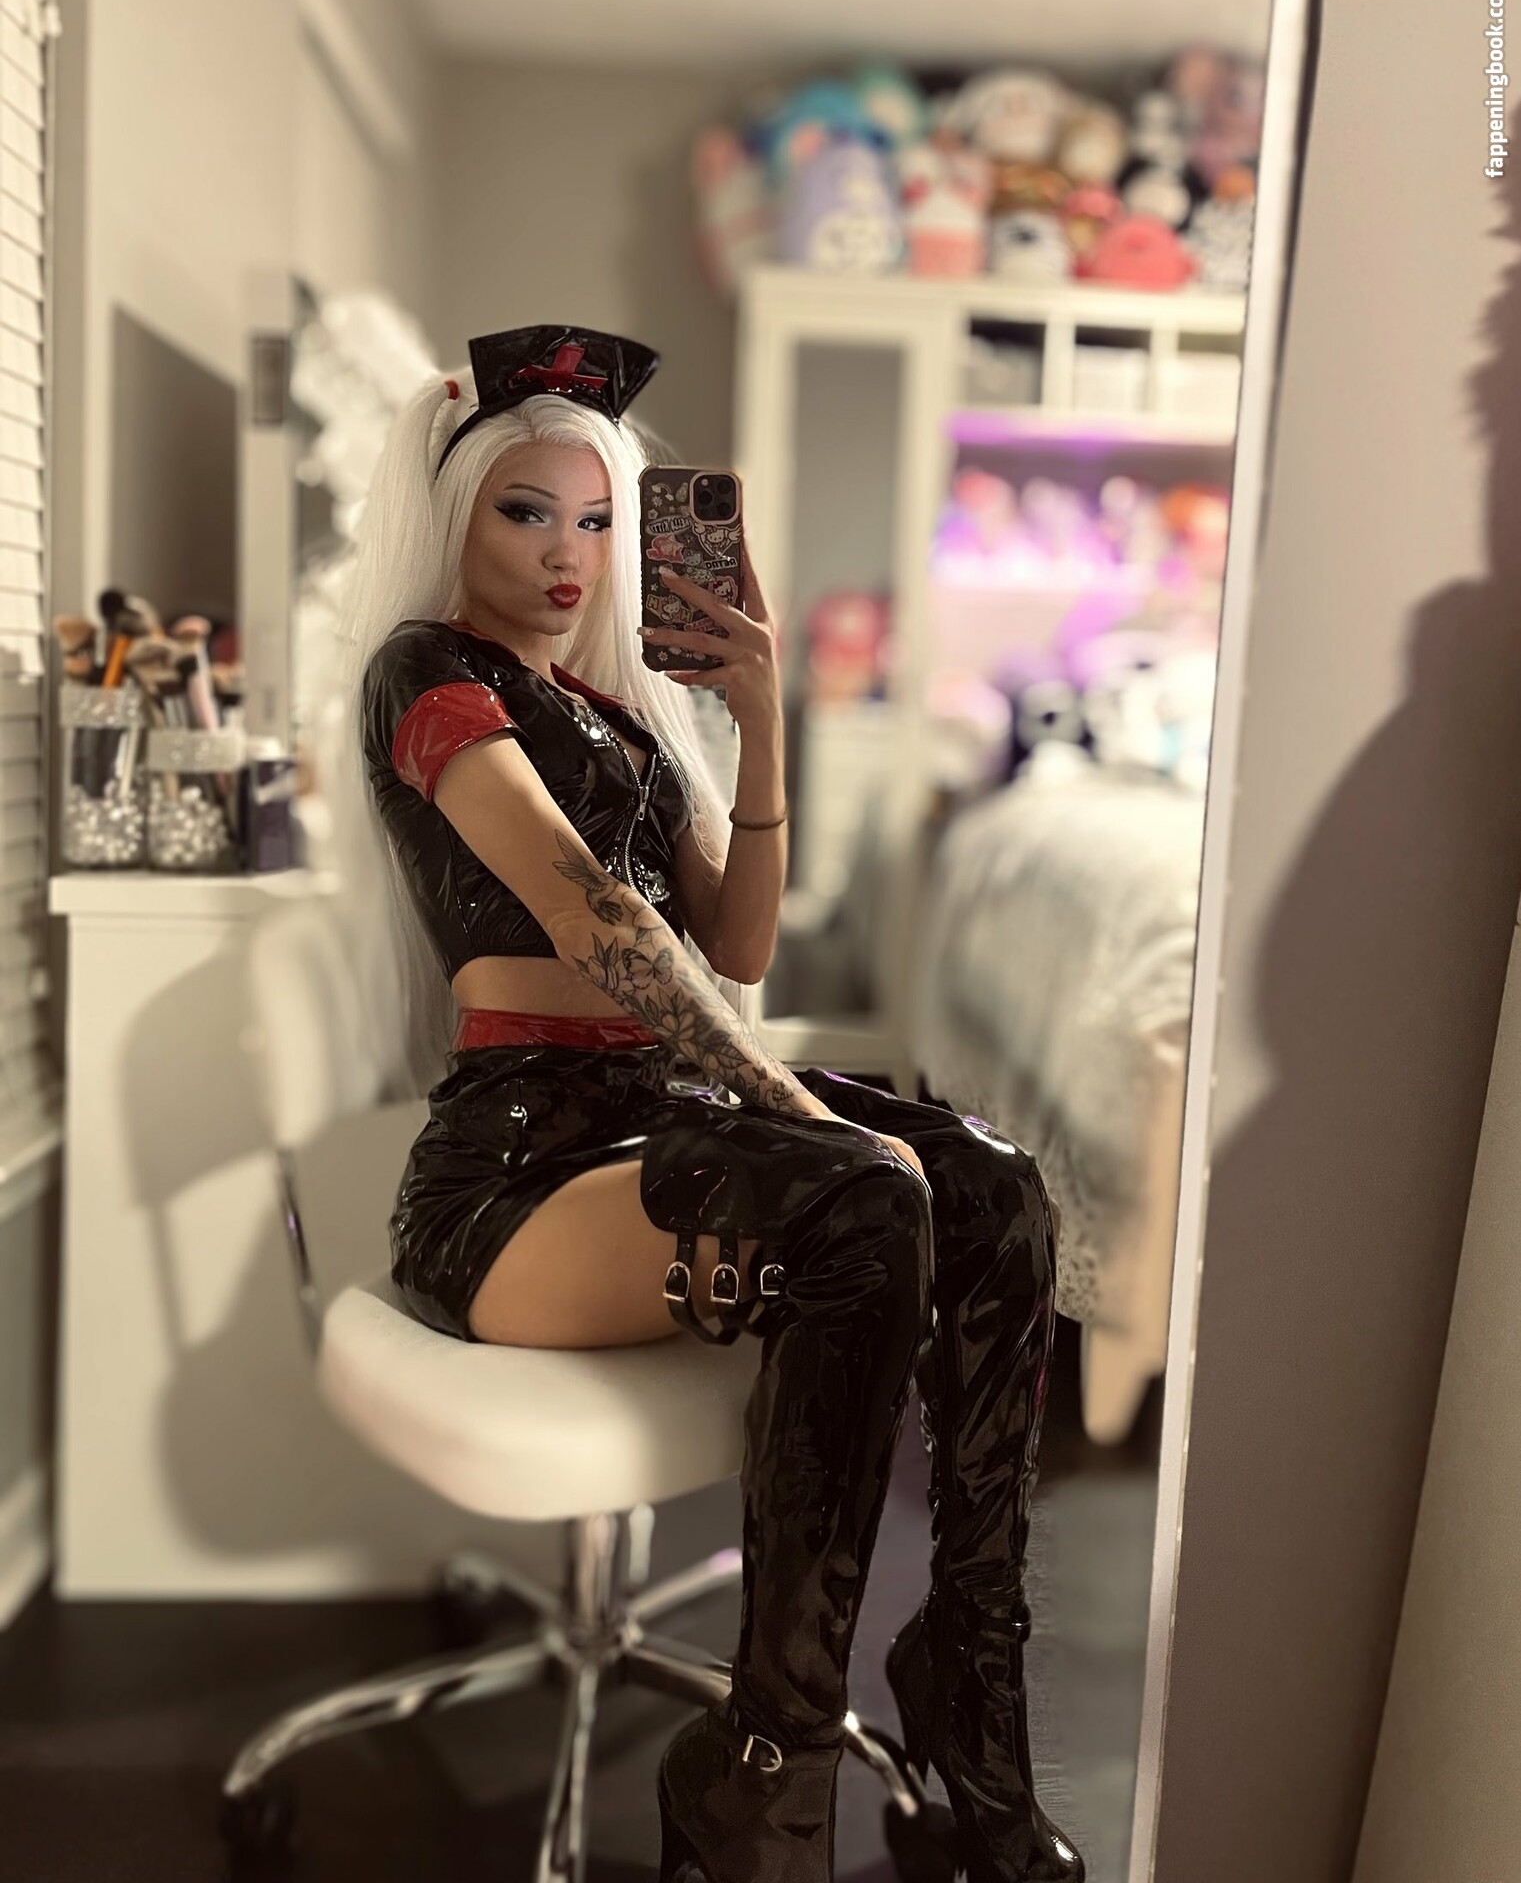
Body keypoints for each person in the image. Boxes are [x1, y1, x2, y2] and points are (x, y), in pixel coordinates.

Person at [330, 323, 1084, 1883]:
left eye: (597, 521)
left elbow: (735, 945)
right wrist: (786, 1099)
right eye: (526, 513)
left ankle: (964, 1666)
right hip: (521, 1172)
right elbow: (585, 912)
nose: (568, 556)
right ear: (455, 512)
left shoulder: (615, 717)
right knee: (862, 1191)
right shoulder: (428, 677)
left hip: (661, 1113)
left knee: (995, 1185)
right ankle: (766, 1766)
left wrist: (761, 710)